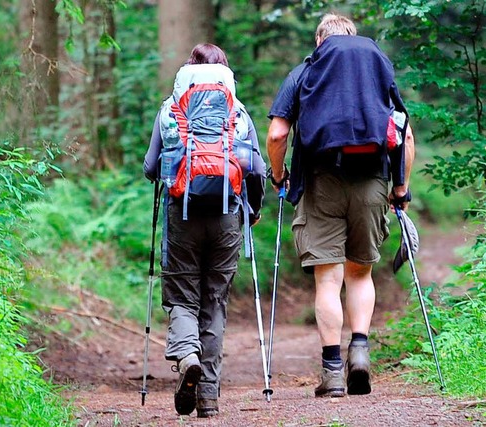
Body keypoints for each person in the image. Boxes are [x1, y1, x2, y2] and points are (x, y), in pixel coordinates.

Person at [266, 14, 415, 398]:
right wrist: (400, 189)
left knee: (327, 279)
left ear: (320, 40)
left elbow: (278, 133)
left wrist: (280, 176)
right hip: (372, 181)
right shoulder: (377, 72)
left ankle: (332, 372)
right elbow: (405, 134)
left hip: (320, 183)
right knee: (360, 274)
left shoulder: (304, 72)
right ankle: (360, 352)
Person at [144, 43, 266, 417]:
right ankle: (208, 397)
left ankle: (187, 356)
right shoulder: (237, 110)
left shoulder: (171, 107)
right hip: (228, 214)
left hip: (182, 214)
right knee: (214, 300)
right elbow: (256, 170)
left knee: (182, 295)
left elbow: (151, 168)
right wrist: (254, 210)